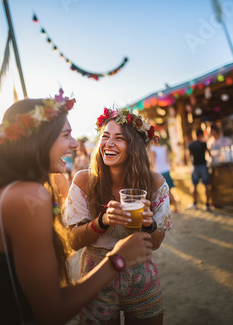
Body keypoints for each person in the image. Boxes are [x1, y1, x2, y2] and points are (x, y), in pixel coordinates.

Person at [0, 92, 153, 324]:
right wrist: (118, 259)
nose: (75, 144)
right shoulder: (28, 195)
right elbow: (51, 312)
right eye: (66, 135)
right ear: (37, 140)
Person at [63, 107, 173, 324]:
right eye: (105, 136)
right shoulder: (83, 181)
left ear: (135, 147)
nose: (109, 143)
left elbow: (157, 242)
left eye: (119, 138)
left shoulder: (155, 183)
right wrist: (101, 222)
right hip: (96, 274)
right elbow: (72, 241)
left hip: (141, 271)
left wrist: (149, 226)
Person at [187, 129, 212, 211]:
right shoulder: (203, 144)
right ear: (201, 135)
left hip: (194, 167)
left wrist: (189, 165)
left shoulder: (191, 144)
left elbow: (188, 156)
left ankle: (194, 203)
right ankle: (207, 204)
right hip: (203, 166)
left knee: (194, 186)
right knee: (206, 186)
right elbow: (209, 153)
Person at [150, 141, 177, 209]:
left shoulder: (153, 150)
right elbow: (167, 159)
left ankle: (175, 204)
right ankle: (174, 204)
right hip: (166, 170)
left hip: (159, 171)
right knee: (169, 190)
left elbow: (152, 162)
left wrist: (151, 169)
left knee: (166, 191)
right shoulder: (164, 148)